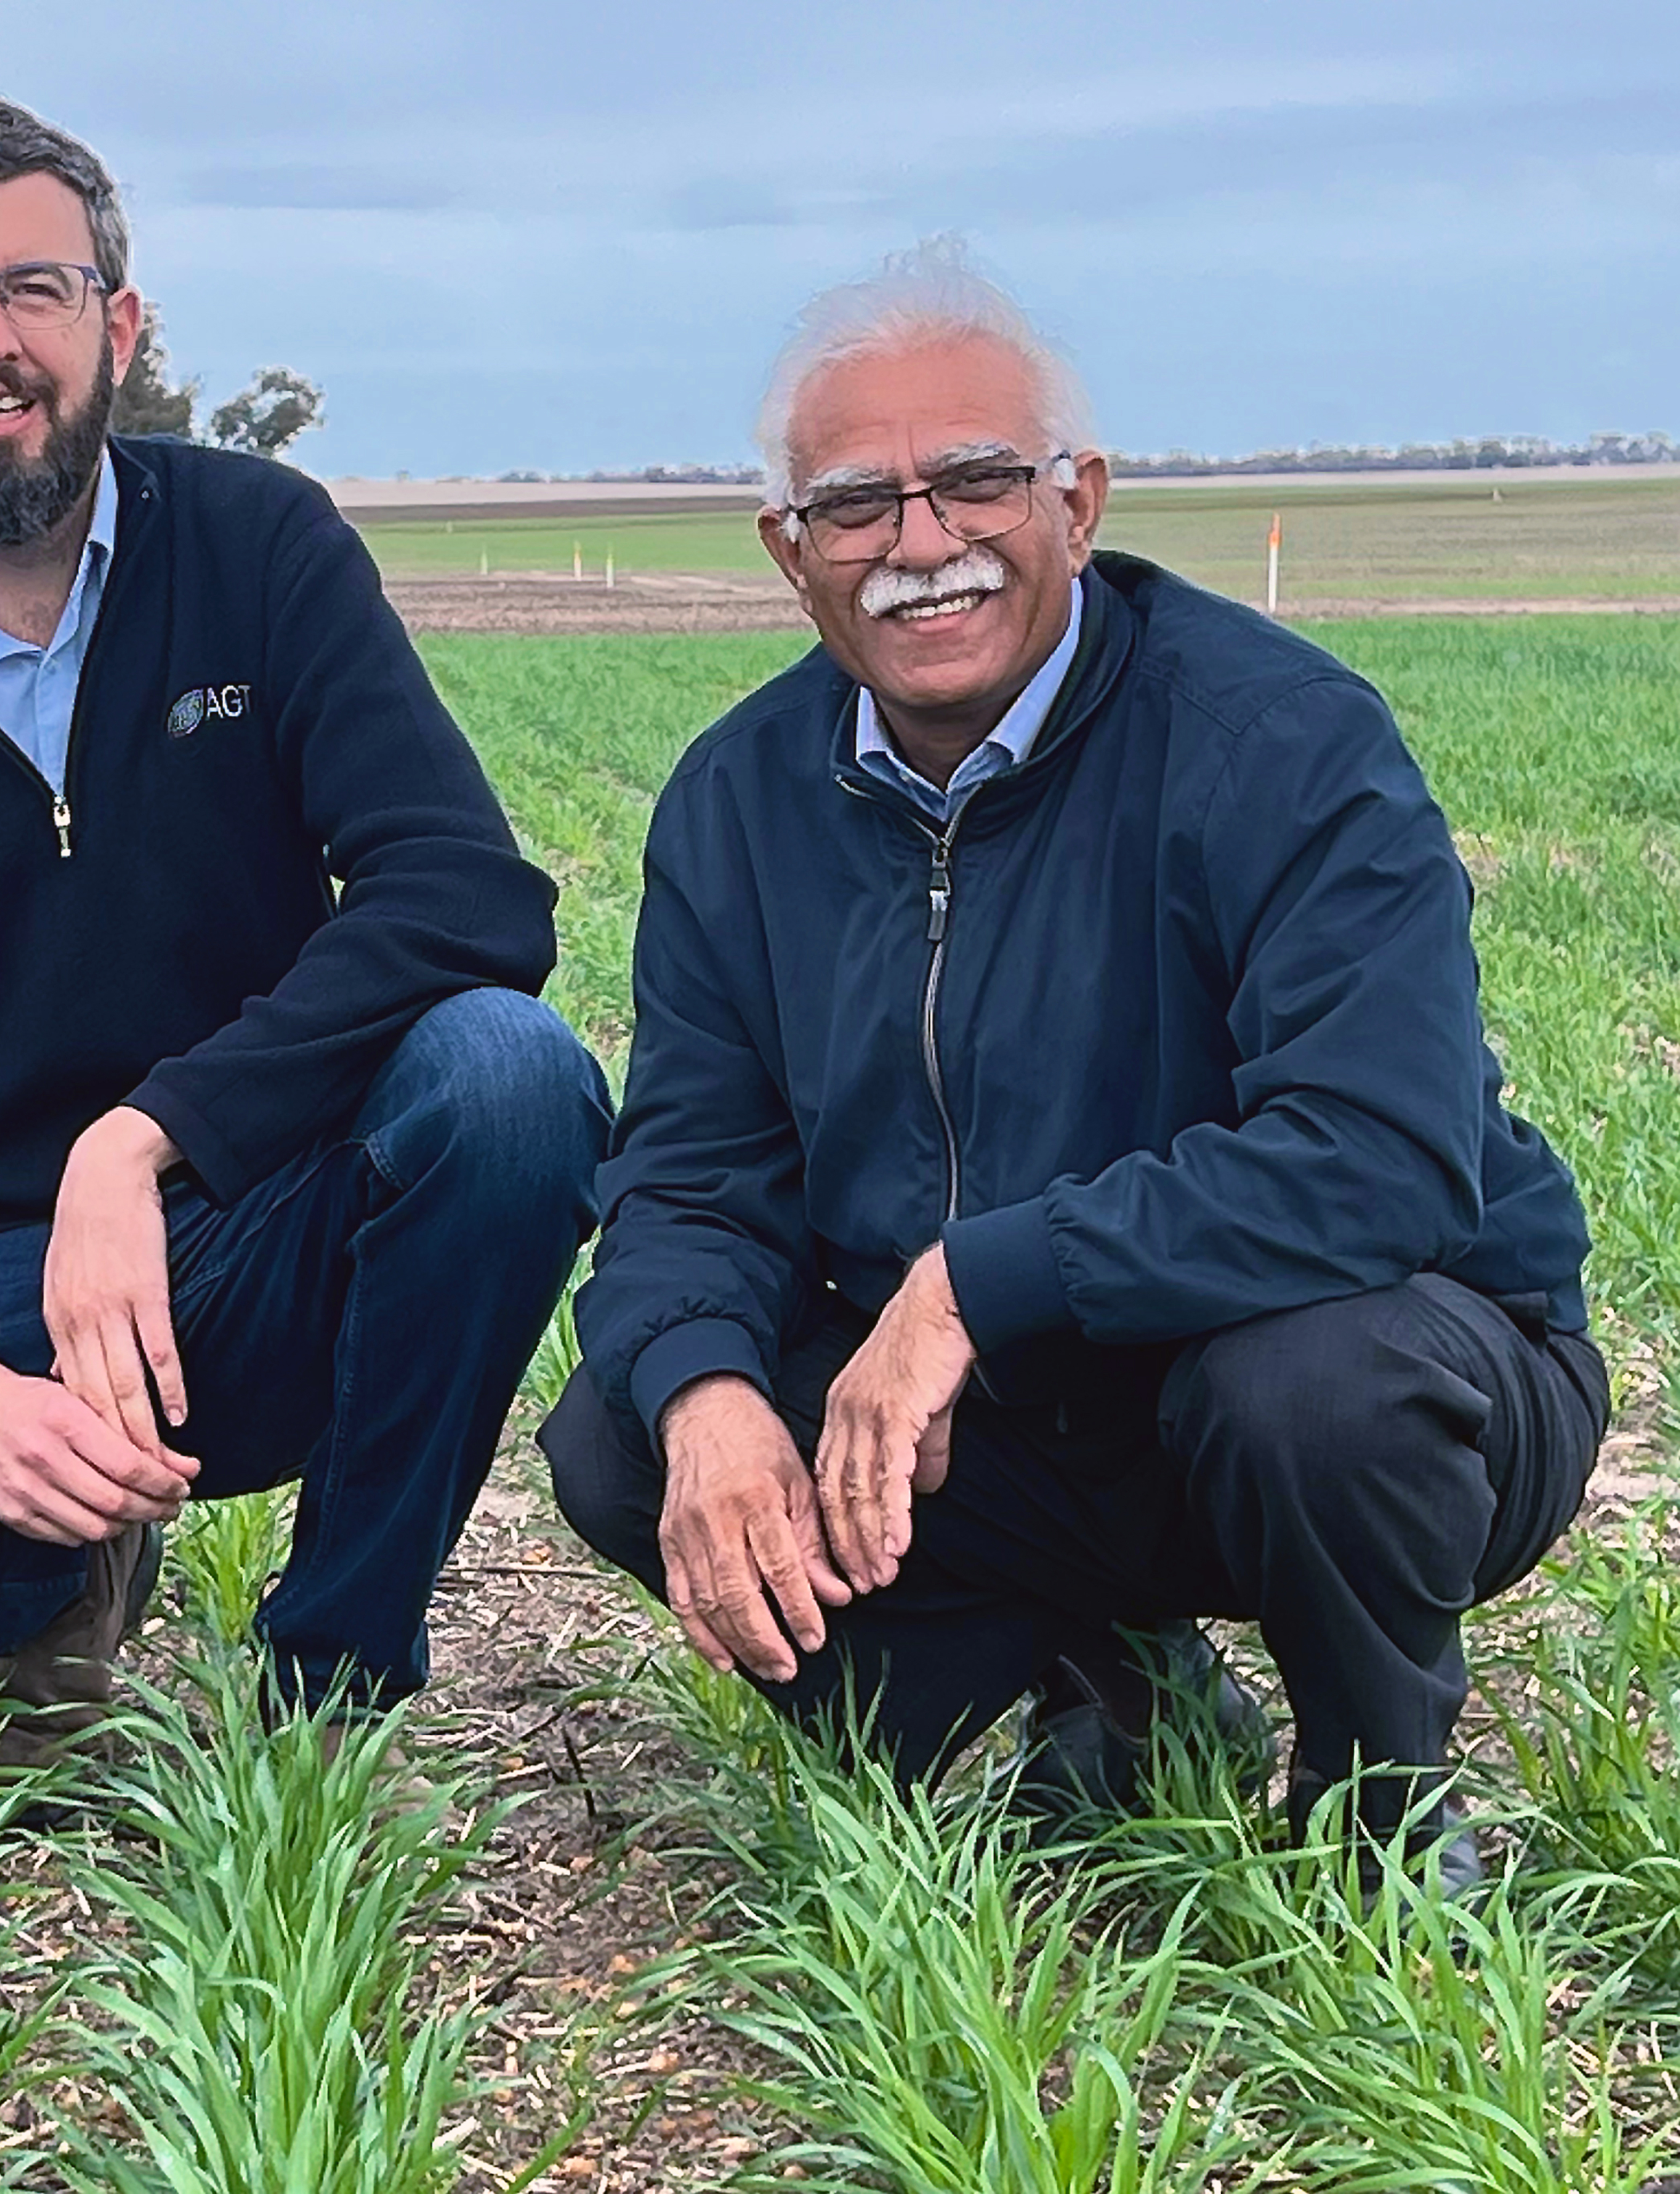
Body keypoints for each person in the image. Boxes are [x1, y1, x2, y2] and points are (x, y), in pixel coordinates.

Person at [542, 242, 1603, 1884]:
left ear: (1079, 499)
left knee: (1316, 1385)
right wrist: (707, 1395)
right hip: (1001, 1423)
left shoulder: (1283, 744)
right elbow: (690, 1173)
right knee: (629, 1428)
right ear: (789, 551)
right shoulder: (735, 804)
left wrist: (973, 1286)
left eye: (974, 479)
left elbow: (1383, 1157)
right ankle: (1112, 1678)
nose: (921, 544)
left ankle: (1379, 1801)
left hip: (1366, 1378)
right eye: (856, 505)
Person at [0, 95, 609, 1751]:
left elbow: (466, 892)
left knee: (510, 1081)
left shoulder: (258, 550)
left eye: (38, 287)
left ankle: (336, 1668)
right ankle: (61, 1554)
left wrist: (150, 1139)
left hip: (242, 1228)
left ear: (121, 323)